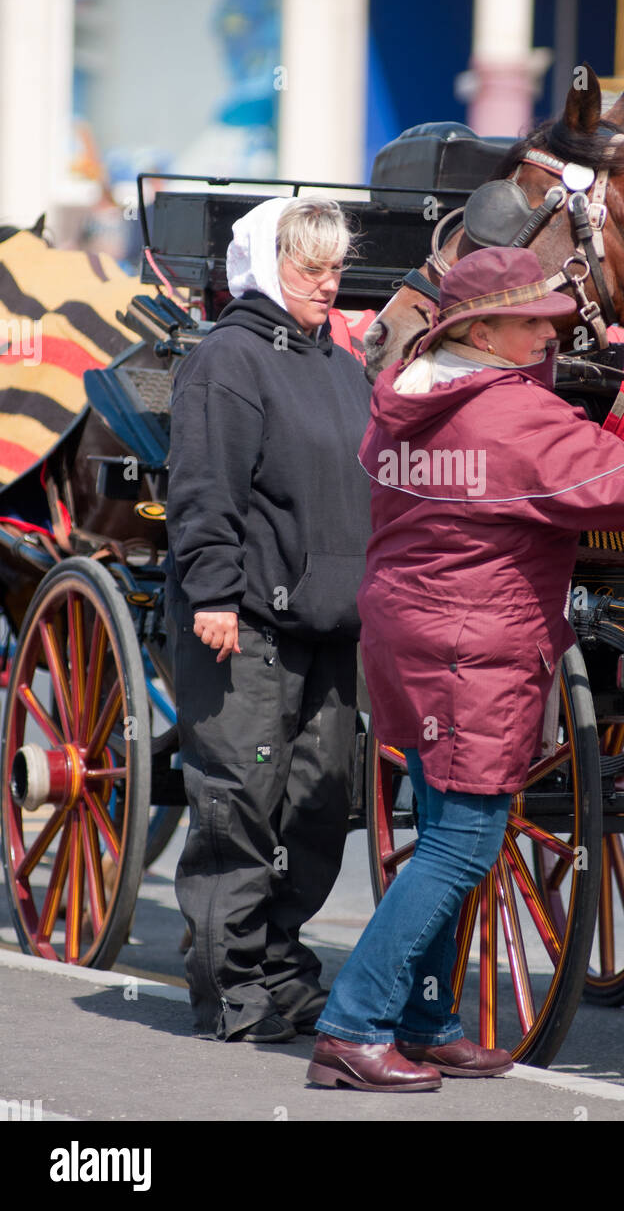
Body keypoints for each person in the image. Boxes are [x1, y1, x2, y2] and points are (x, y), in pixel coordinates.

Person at [307, 245, 624, 1092]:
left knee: (440, 827)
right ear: (482, 328)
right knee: (463, 842)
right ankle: (351, 1025)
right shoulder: (511, 420)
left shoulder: (405, 398)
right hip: (473, 645)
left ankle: (423, 1017)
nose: (548, 336)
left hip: (404, 631)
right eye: (533, 322)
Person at [165, 195, 371, 1043]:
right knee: (238, 806)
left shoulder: (340, 365)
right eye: (308, 268)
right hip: (242, 622)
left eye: (334, 269)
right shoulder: (228, 360)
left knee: (320, 802)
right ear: (264, 265)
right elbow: (206, 486)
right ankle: (230, 987)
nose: (327, 283)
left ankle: (282, 965)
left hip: (331, 623)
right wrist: (213, 592)